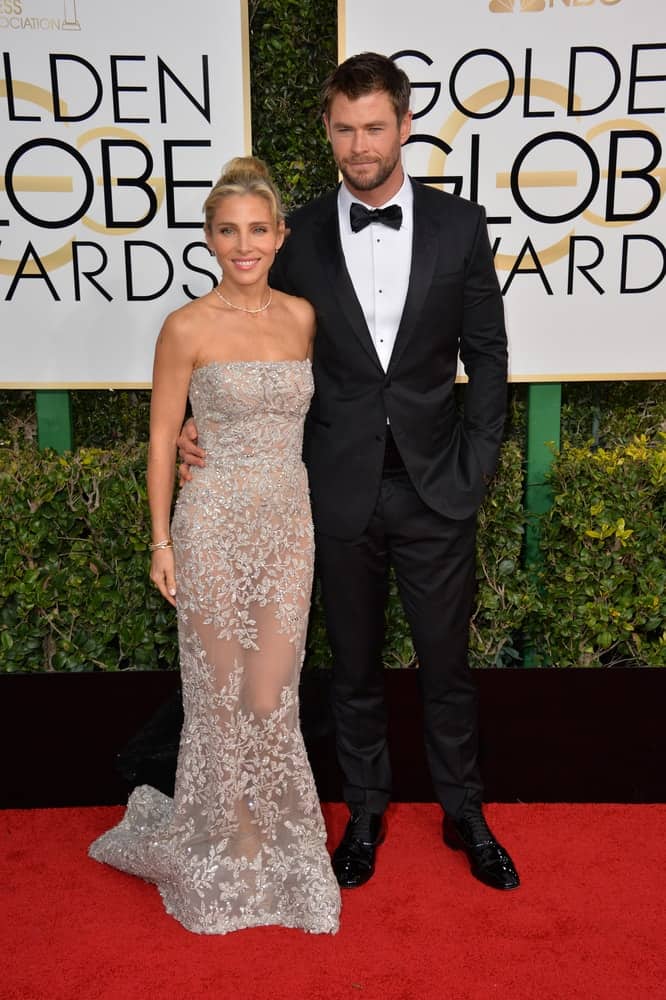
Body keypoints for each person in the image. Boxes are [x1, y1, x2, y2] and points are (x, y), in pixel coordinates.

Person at [179, 54, 520, 893]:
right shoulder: (293, 241)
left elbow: (490, 355)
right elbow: (254, 341)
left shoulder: (459, 226)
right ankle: (365, 813)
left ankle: (465, 813)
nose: (360, 144)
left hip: (438, 486)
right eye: (344, 128)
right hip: (332, 489)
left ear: (405, 126)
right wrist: (201, 419)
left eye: (375, 127)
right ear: (327, 131)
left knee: (446, 664)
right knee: (355, 665)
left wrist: (474, 466)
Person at [89, 157, 341, 935]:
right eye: (228, 230)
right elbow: (164, 438)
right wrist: (160, 540)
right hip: (210, 526)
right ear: (208, 239)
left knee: (271, 695)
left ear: (279, 236)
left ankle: (274, 843)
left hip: (286, 526)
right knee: (216, 698)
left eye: (257, 230)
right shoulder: (187, 326)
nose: (243, 244)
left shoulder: (303, 317)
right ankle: (226, 845)